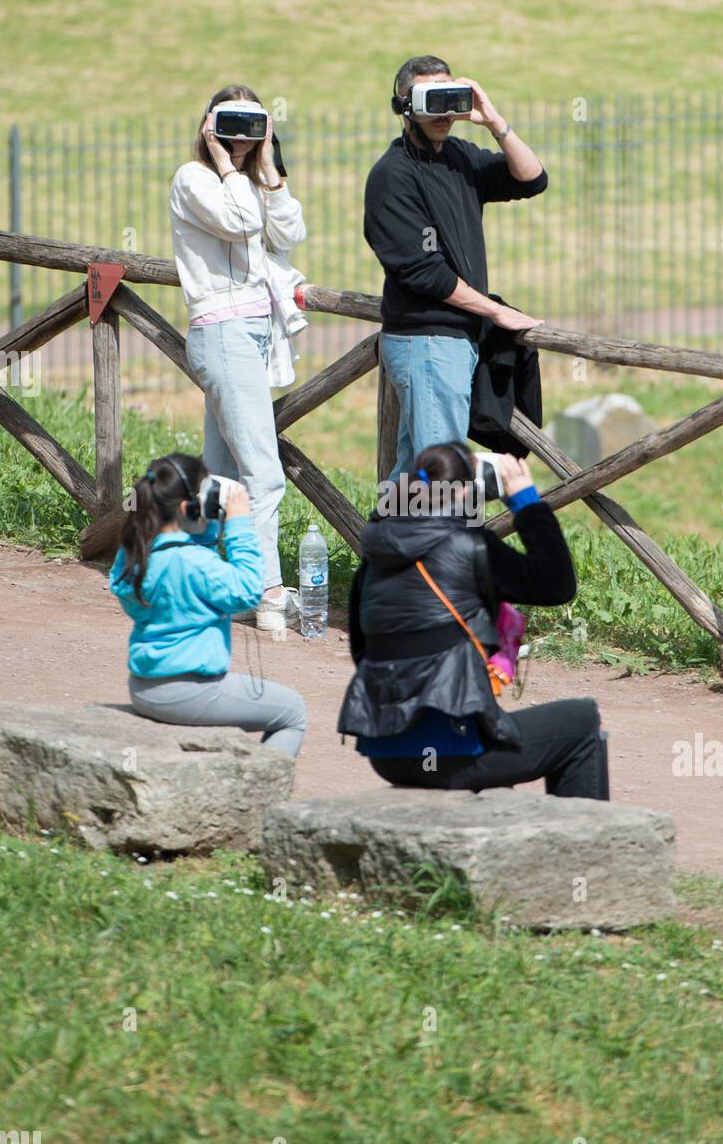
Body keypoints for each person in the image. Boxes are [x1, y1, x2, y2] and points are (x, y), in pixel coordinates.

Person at [337, 443, 608, 798]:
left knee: (492, 728)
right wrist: (526, 503)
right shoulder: (470, 547)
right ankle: (588, 849)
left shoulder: (375, 557)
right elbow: (557, 585)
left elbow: (364, 653)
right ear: (467, 491)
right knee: (582, 723)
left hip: (385, 750)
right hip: (452, 751)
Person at [364, 55, 549, 478]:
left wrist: (492, 119)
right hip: (426, 341)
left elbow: (531, 179)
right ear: (404, 106)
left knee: (417, 473)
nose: (445, 112)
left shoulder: (459, 156)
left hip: (450, 340)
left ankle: (385, 544)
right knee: (440, 475)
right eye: (432, 99)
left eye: (451, 98)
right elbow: (424, 271)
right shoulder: (392, 176)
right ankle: (433, 544)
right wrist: (494, 310)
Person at [169, 84, 307, 633]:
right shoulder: (194, 178)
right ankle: (266, 593)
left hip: (250, 334)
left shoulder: (251, 182)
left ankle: (192, 580)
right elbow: (240, 223)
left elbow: (288, 232)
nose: (243, 135)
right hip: (223, 332)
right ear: (209, 125)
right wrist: (226, 163)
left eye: (255, 124)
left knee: (222, 474)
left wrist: (269, 166)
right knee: (264, 476)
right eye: (231, 123)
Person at [110, 453, 307, 756]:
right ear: (187, 508)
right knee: (293, 712)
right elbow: (248, 591)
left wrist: (204, 525)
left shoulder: (140, 561)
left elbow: (177, 558)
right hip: (192, 694)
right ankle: (257, 795)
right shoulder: (196, 565)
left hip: (143, 687)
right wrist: (239, 524)